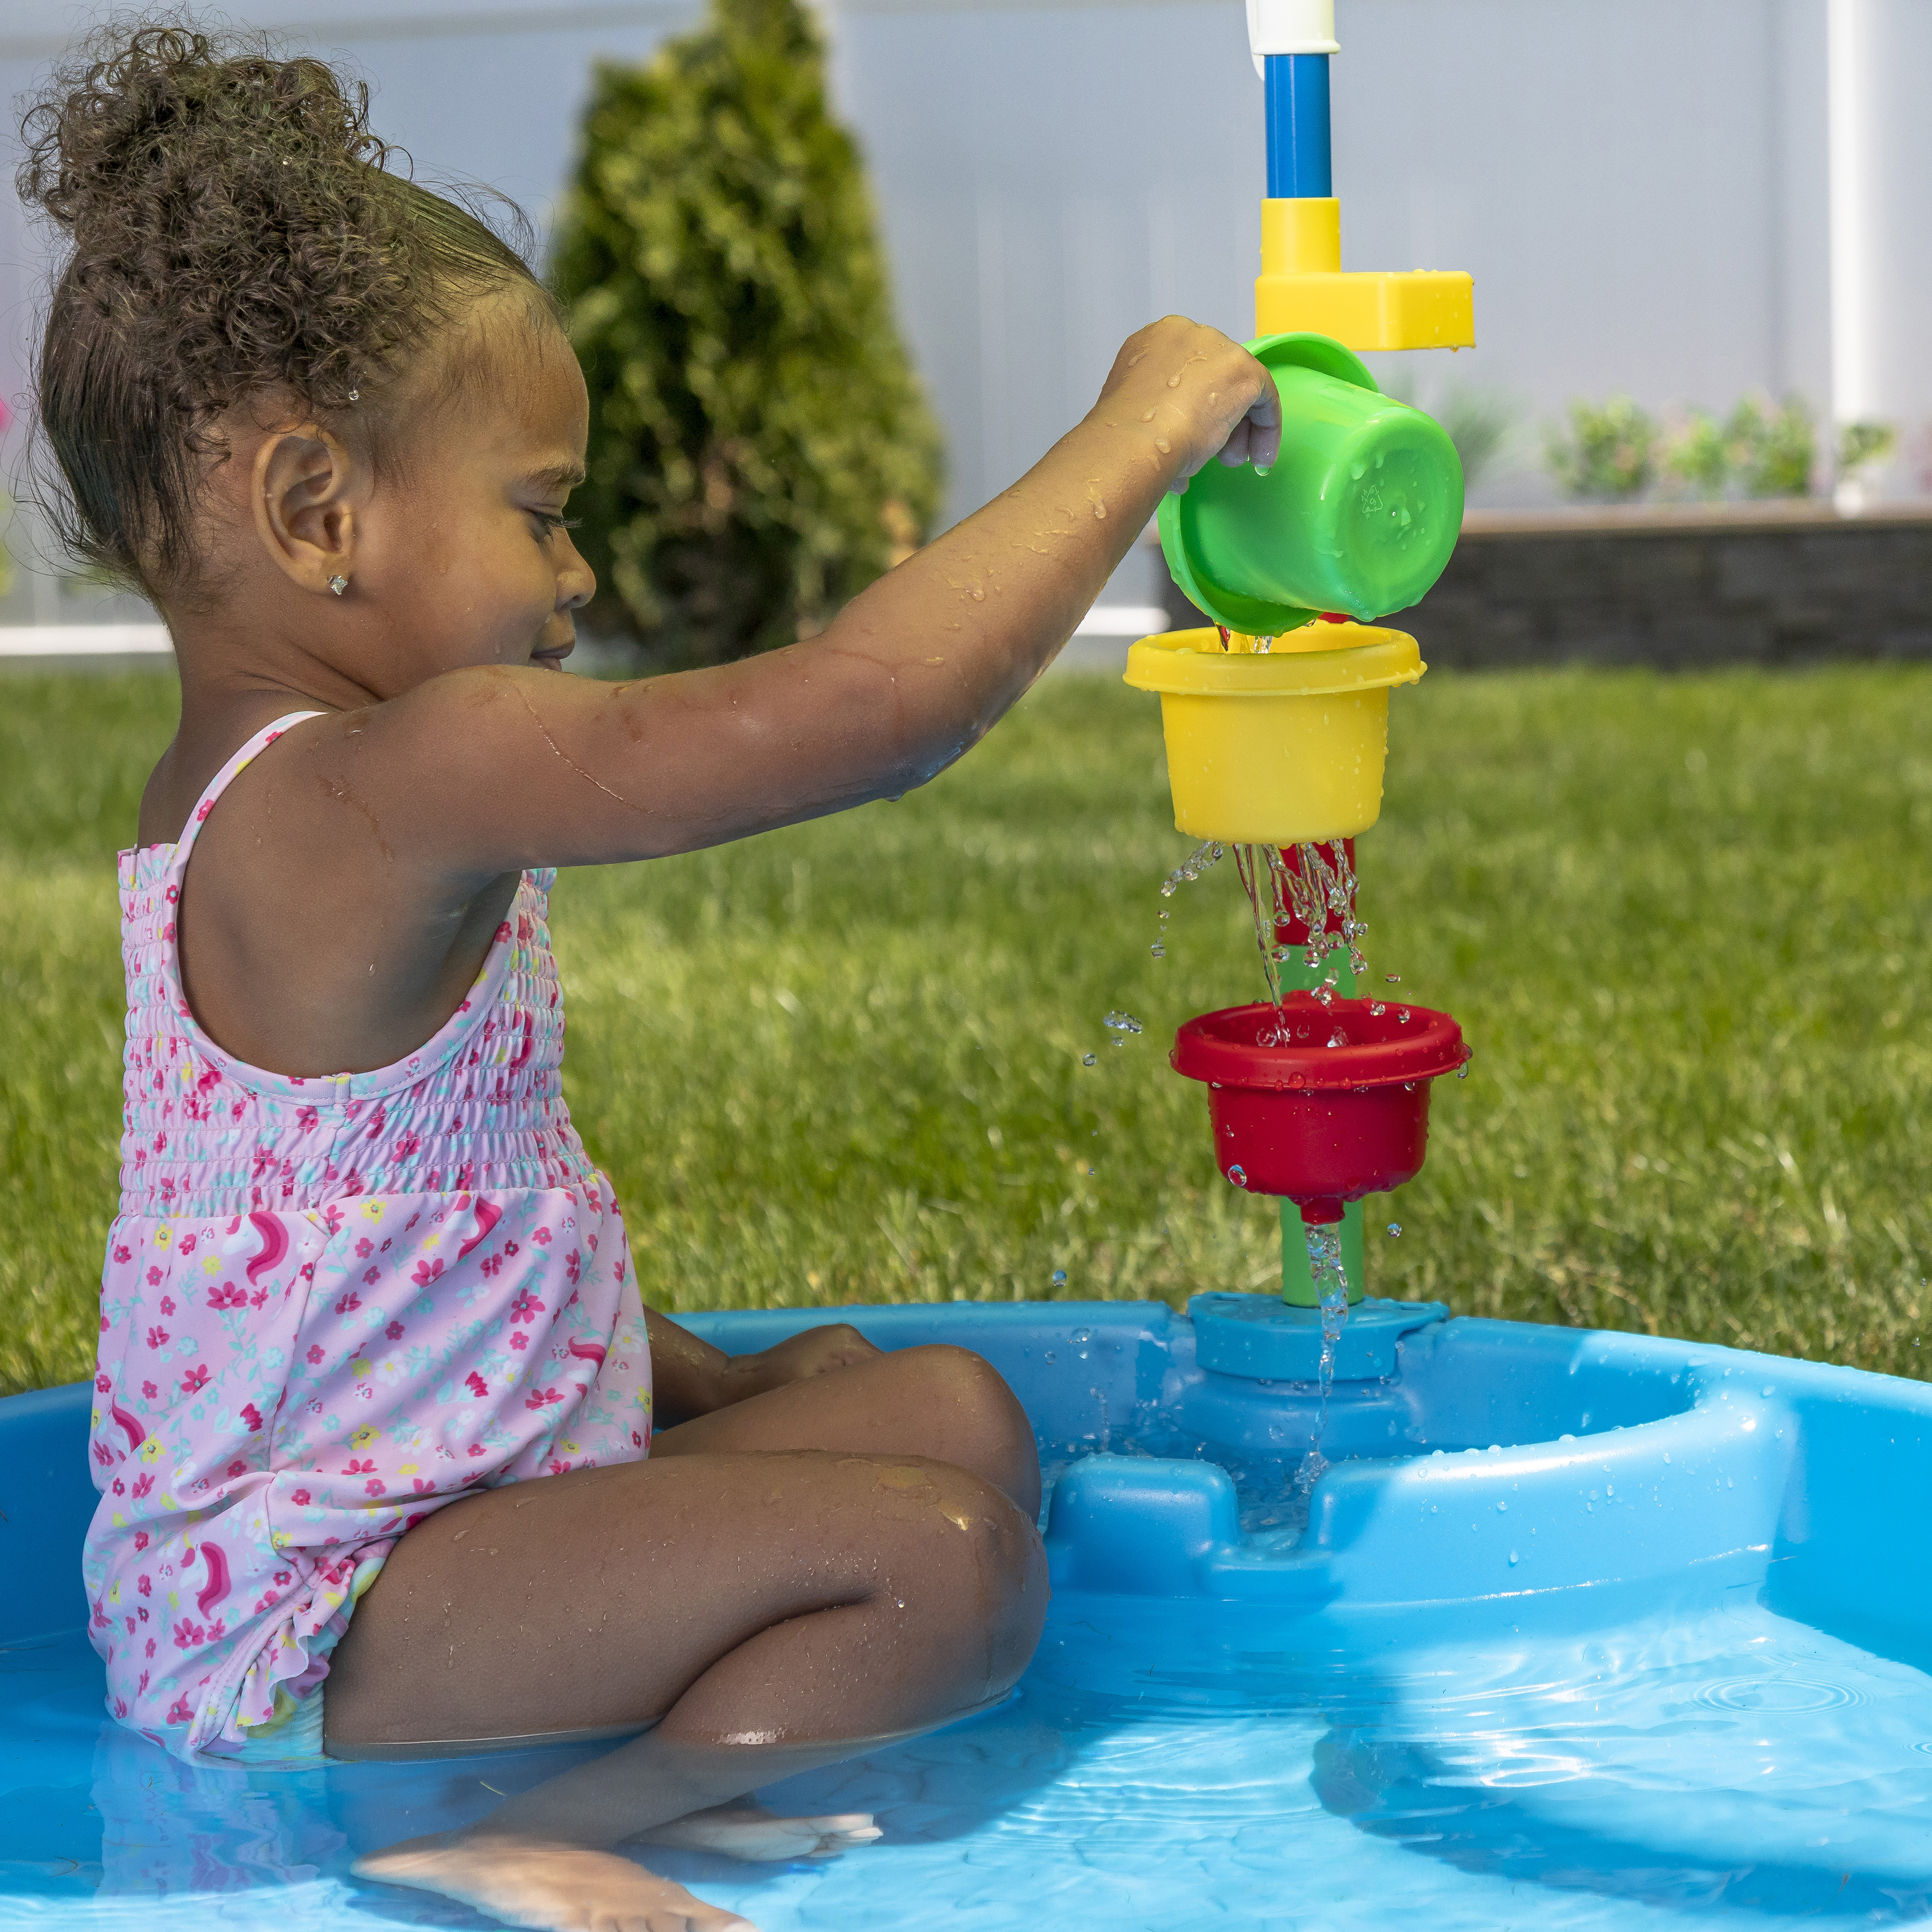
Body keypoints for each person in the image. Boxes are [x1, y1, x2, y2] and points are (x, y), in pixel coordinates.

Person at [25, 21, 1280, 1931]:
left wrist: (697, 1382)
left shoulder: (283, 800)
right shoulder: (377, 785)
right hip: (315, 1630)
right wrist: (1142, 421)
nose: (578, 575)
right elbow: (861, 714)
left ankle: (586, 1752)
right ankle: (573, 1830)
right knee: (941, 1570)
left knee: (952, 1417)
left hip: (389, 1533)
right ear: (313, 513)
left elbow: (392, 1259)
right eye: (541, 507)